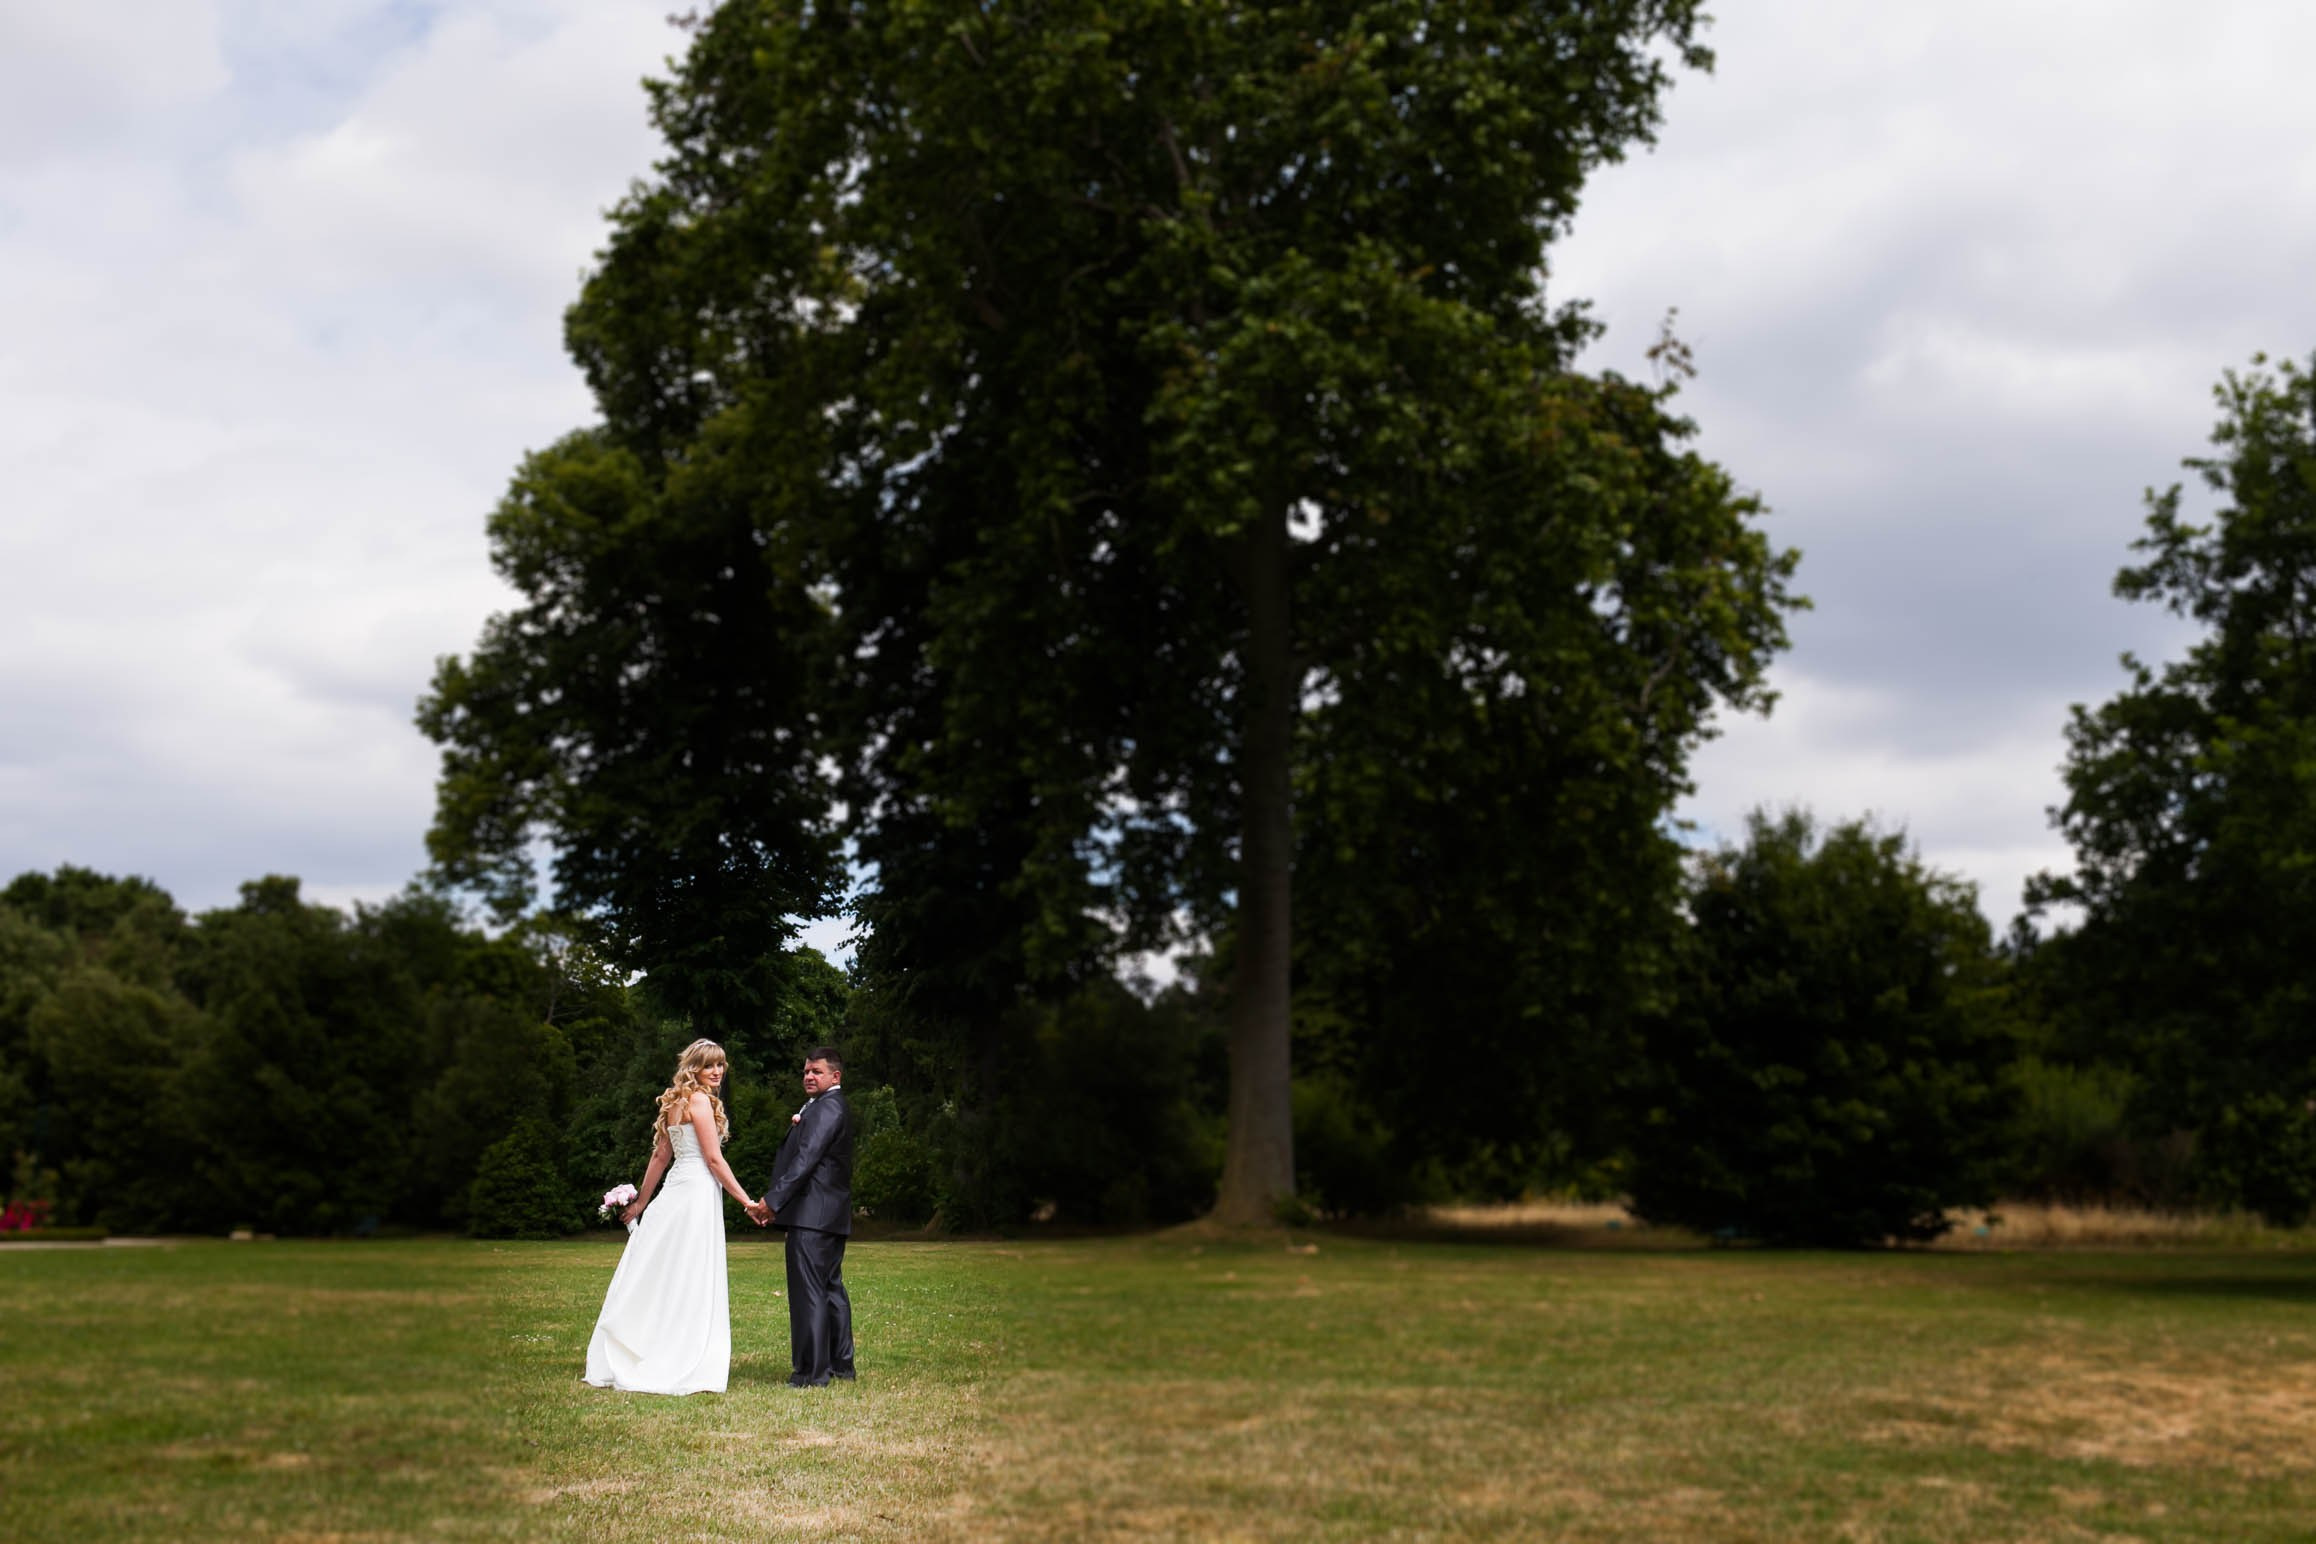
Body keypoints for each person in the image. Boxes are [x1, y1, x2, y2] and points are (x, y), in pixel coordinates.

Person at [583, 1038, 755, 1395]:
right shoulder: (699, 1101)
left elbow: (661, 1158)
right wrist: (746, 1201)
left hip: (675, 1192)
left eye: (721, 1065)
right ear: (694, 1068)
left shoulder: (676, 1102)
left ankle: (647, 1342)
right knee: (689, 1271)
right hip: (695, 1194)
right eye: (709, 1066)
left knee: (665, 1270)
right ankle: (677, 1352)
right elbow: (712, 1159)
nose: (717, 1072)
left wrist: (643, 1203)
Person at [745, 1045, 856, 1386]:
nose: (809, 1076)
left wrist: (772, 1202)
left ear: (835, 1076)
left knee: (810, 1292)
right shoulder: (828, 1106)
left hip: (812, 1215)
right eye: (806, 1071)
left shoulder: (828, 1108)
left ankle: (810, 1372)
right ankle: (840, 1365)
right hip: (828, 1215)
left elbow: (806, 1159)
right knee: (829, 1289)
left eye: (817, 1071)